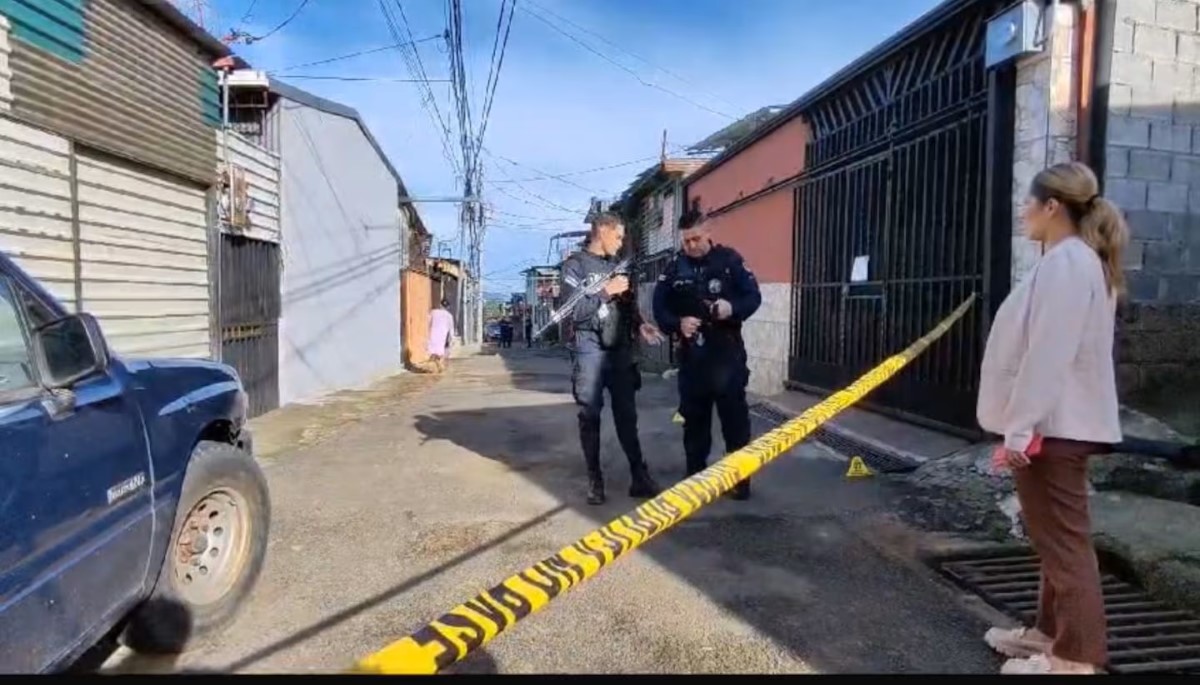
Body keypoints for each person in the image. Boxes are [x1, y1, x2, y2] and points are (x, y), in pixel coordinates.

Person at [977, 162, 1126, 676]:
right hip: (1057, 424)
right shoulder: (1077, 261)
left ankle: (1075, 658)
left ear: (1052, 206)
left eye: (1028, 201)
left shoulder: (1068, 264)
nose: (1022, 210)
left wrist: (1020, 427)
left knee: (1064, 544)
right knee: (1053, 538)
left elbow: (1048, 353)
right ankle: (1048, 634)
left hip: (1054, 427)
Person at [653, 202, 761, 500]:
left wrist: (732, 308)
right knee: (694, 423)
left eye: (695, 239)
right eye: (686, 241)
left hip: (727, 355)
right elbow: (659, 308)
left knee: (735, 422)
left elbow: (753, 297)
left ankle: (739, 480)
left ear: (708, 232)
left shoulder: (729, 261)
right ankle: (695, 478)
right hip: (693, 360)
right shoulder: (675, 267)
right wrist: (677, 323)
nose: (691, 246)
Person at [561, 211, 665, 505]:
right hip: (589, 348)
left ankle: (638, 475)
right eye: (617, 236)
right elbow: (572, 312)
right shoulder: (575, 265)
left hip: (619, 350)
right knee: (590, 416)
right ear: (602, 231)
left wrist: (640, 324)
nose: (620, 243)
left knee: (627, 416)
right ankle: (595, 479)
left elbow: (627, 305)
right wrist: (605, 291)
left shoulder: (617, 266)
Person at [426, 300, 454, 373]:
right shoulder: (449, 316)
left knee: (433, 351)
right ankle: (439, 366)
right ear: (448, 307)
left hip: (433, 333)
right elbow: (451, 328)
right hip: (442, 335)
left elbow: (428, 322)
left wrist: (427, 332)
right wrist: (451, 338)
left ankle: (435, 367)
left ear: (440, 305)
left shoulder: (433, 312)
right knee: (440, 352)